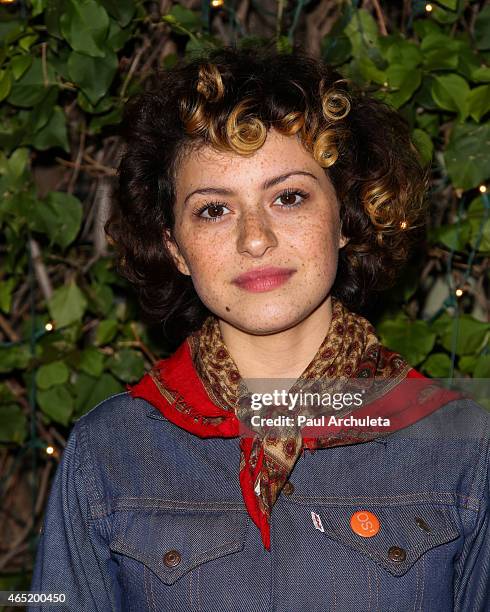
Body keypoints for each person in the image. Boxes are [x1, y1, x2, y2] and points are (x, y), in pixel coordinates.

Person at [29, 45, 490, 612]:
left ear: (346, 218)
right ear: (174, 246)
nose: (254, 238)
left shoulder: (463, 447)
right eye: (213, 210)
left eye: (288, 196)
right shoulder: (108, 452)